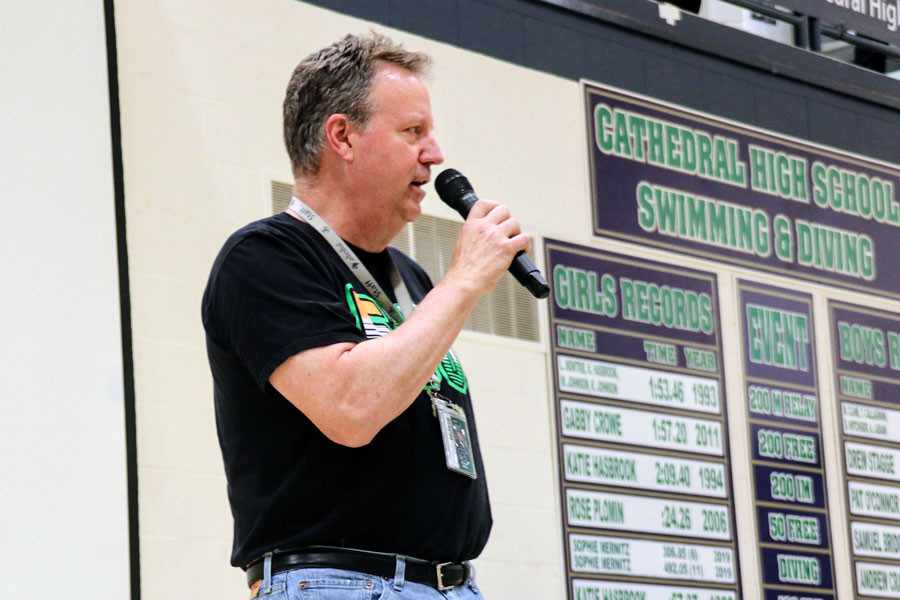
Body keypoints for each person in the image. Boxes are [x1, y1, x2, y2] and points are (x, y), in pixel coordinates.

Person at [201, 32, 529, 599]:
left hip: (448, 583)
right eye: (413, 132)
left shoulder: (411, 277)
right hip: (340, 582)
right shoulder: (265, 257)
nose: (435, 153)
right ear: (343, 137)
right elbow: (350, 410)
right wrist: (468, 279)